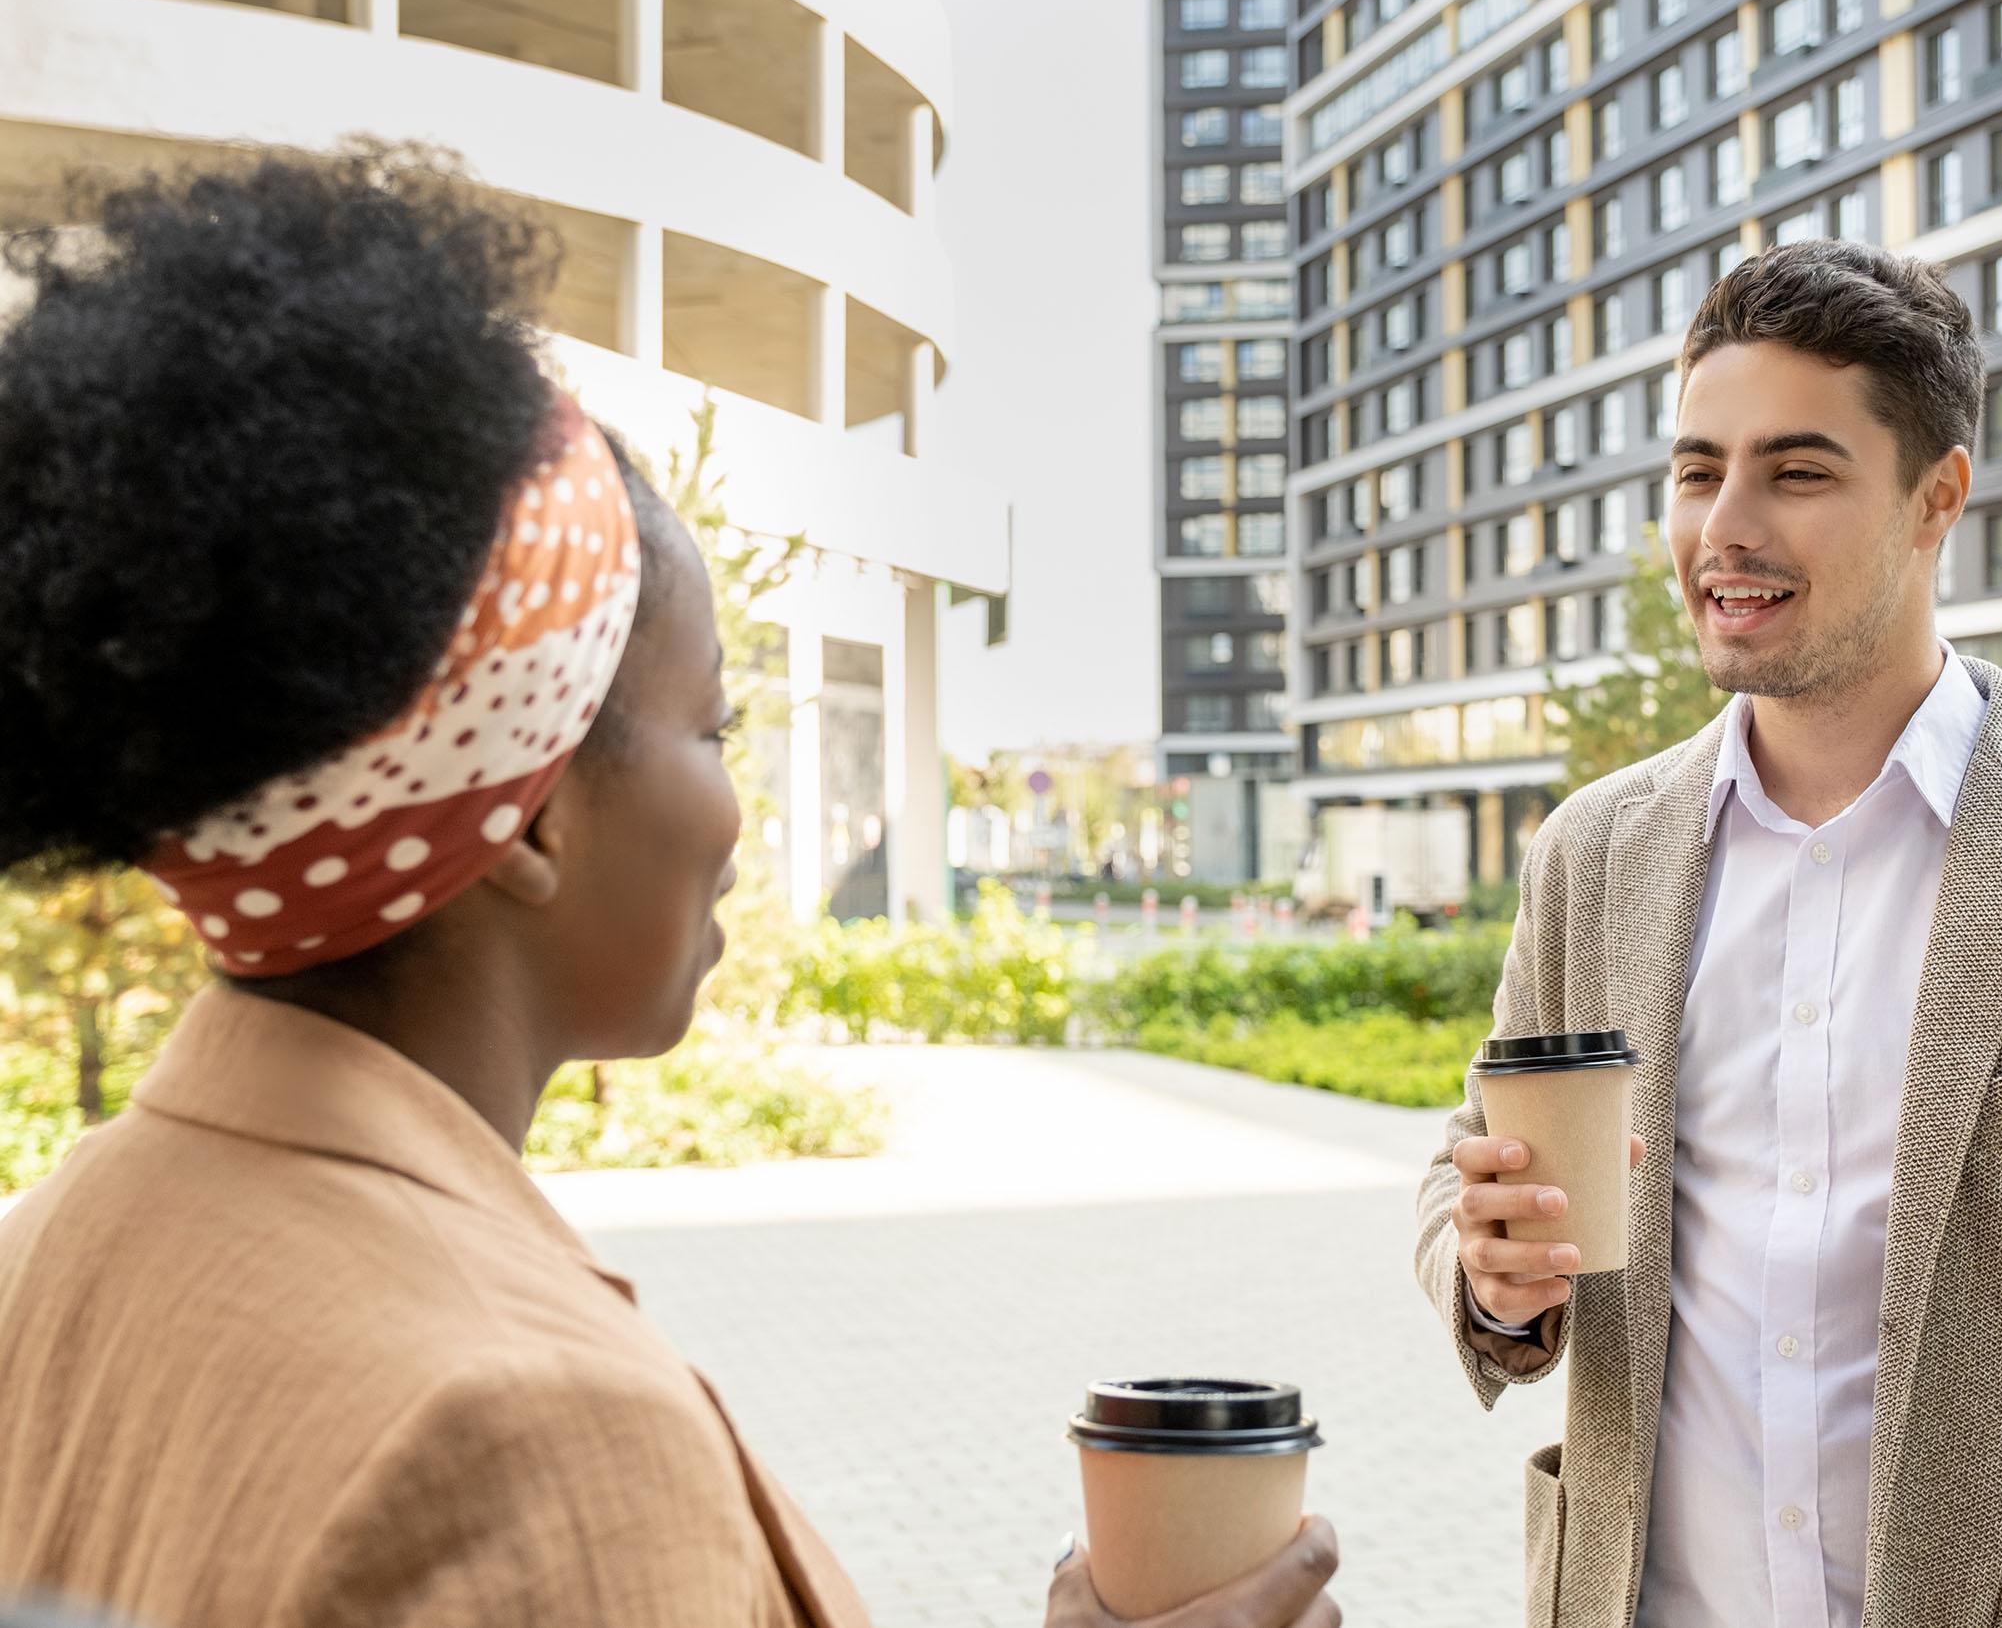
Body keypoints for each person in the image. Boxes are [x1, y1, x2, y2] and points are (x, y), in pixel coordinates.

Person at [0, 146, 1339, 1628]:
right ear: (525, 816)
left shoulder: (51, 1245)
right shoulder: (531, 1432)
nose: (738, 809)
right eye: (712, 727)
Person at [1415, 241, 2002, 1628]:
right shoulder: (1591, 856)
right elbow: (1472, 1168)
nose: (1725, 526)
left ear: (1936, 497)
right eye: (1695, 469)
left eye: (1797, 472)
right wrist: (1489, 1277)